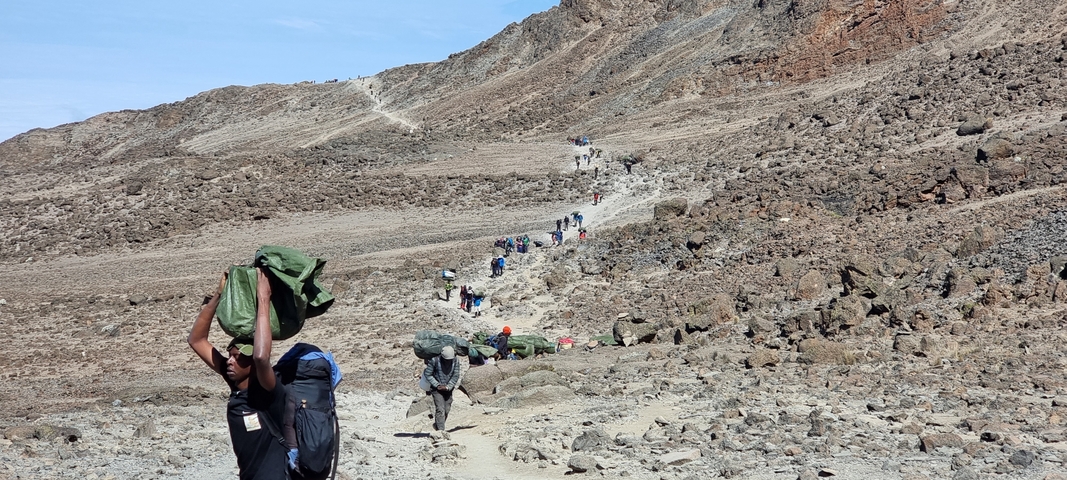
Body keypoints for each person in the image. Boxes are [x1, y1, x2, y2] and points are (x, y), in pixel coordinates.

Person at [188, 268, 288, 480]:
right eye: (230, 355)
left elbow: (261, 357)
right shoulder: (235, 381)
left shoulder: (269, 392)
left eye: (239, 357)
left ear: (252, 364)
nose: (231, 361)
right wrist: (218, 295)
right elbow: (196, 340)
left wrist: (264, 298)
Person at [423, 346, 463, 431]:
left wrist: (448, 387)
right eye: (446, 360)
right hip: (436, 389)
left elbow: (456, 375)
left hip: (448, 389)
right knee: (440, 409)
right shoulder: (434, 361)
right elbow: (428, 374)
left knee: (446, 410)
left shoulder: (455, 361)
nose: (448, 361)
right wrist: (437, 385)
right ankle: (440, 431)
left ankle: (438, 424)